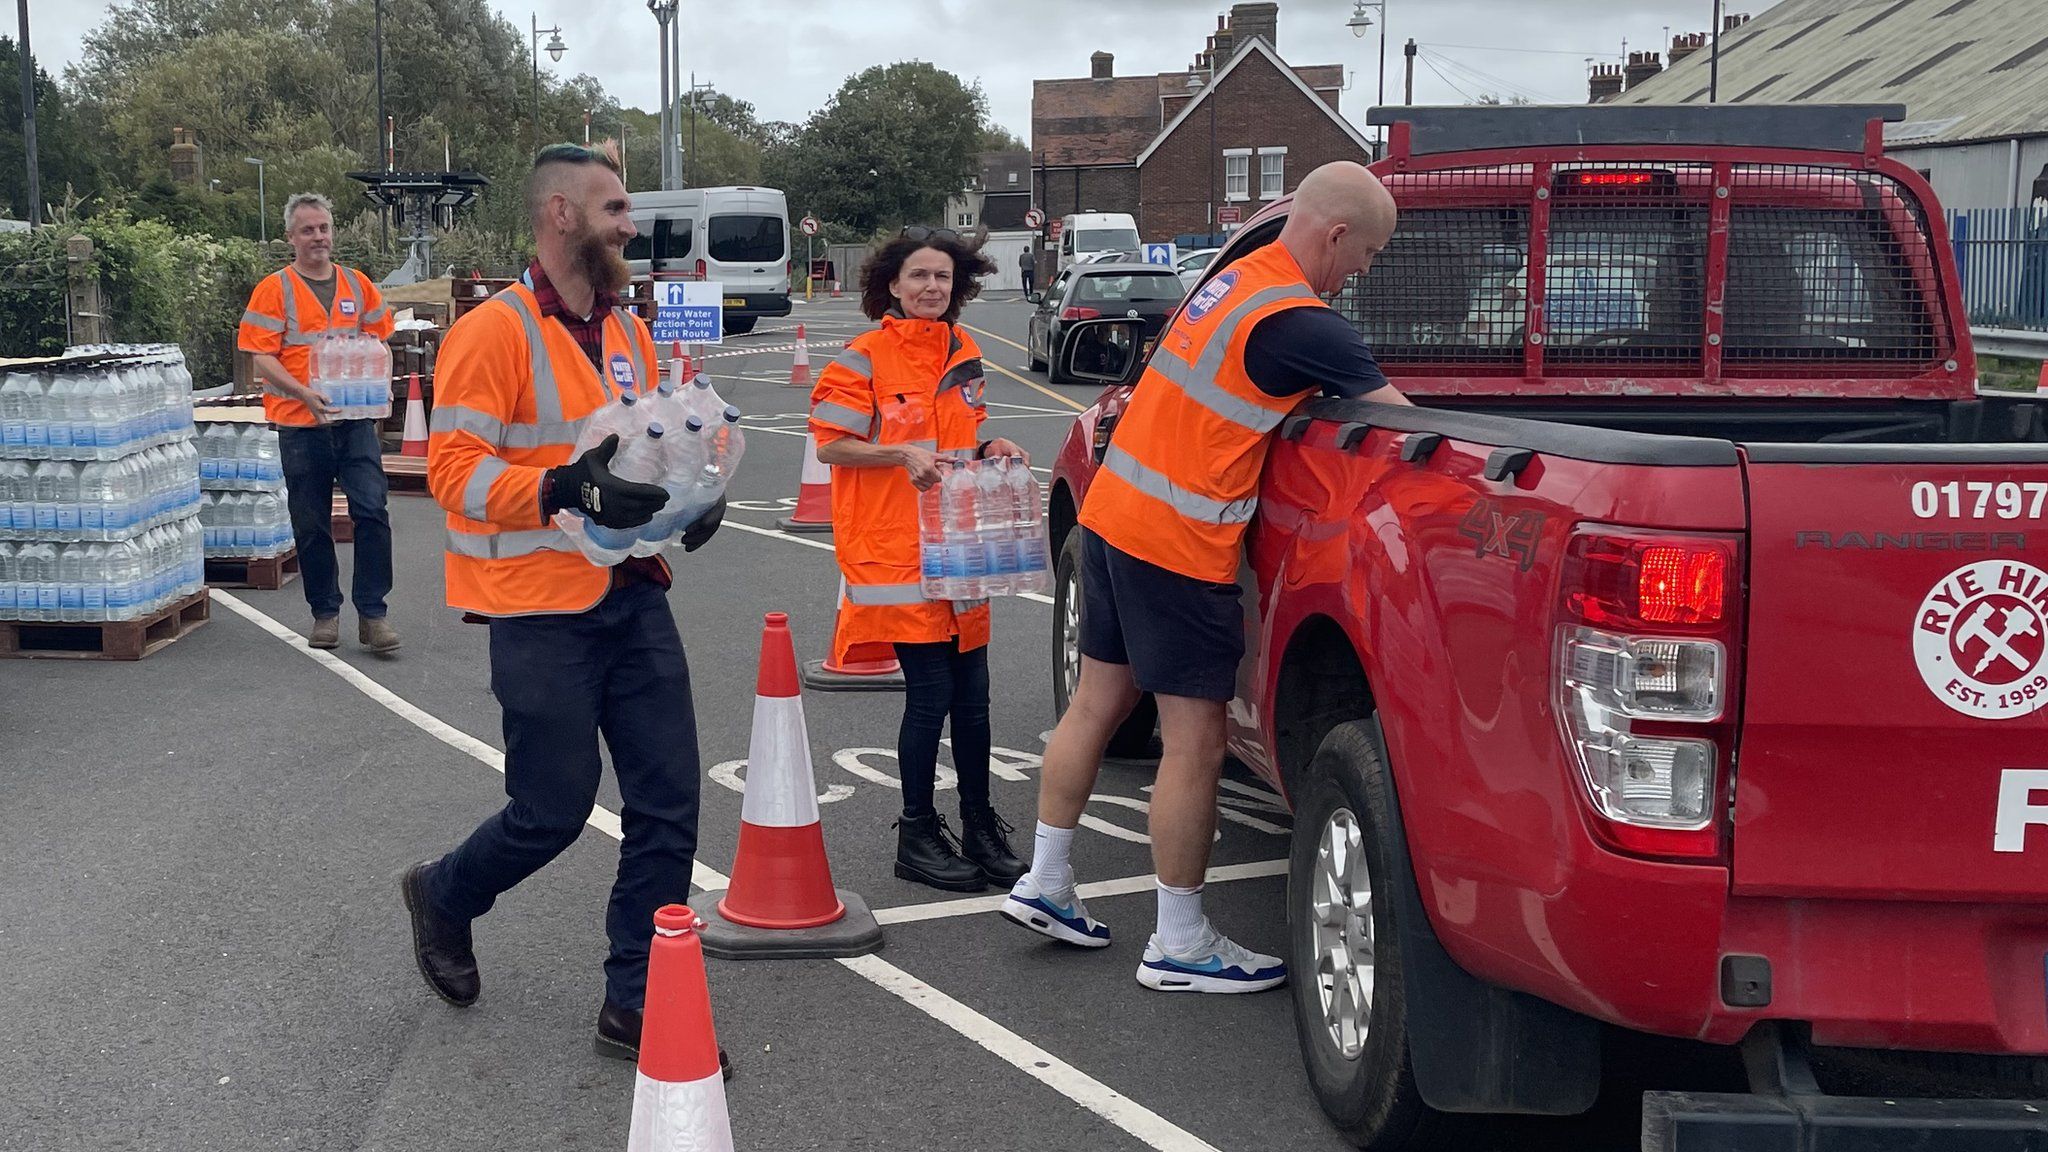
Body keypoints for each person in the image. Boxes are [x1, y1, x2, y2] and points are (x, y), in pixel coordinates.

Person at [1002, 161, 1412, 992]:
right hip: (1179, 548)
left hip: (1114, 518)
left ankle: (1044, 880)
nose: (1363, 272)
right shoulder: (1306, 322)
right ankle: (1180, 943)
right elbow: (1408, 430)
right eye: (1366, 254)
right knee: (1197, 741)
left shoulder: (1230, 283)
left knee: (1096, 702)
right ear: (1335, 234)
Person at [400, 142, 728, 1073]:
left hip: (632, 593)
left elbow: (647, 450)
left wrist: (689, 501)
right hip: (538, 606)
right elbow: (452, 470)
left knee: (668, 805)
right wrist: (560, 489)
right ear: (560, 216)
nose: (631, 224)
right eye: (616, 208)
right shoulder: (492, 333)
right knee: (551, 808)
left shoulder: (624, 330)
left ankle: (638, 1000)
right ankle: (446, 895)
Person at [809, 226, 1030, 893]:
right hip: (896, 549)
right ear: (893, 286)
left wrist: (991, 446)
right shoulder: (864, 356)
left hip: (961, 544)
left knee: (976, 697)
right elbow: (829, 446)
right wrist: (898, 455)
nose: (933, 288)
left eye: (943, 278)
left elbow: (959, 433)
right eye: (920, 277)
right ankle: (917, 832)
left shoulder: (963, 348)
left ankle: (978, 824)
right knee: (932, 693)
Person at [236, 192, 400, 652]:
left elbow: (380, 342)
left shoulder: (357, 284)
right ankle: (325, 613)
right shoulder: (276, 288)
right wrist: (303, 393)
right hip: (300, 423)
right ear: (291, 237)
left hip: (354, 423)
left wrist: (382, 382)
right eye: (308, 230)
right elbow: (260, 357)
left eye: (324, 228)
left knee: (372, 511)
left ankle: (373, 614)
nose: (318, 237)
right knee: (311, 523)